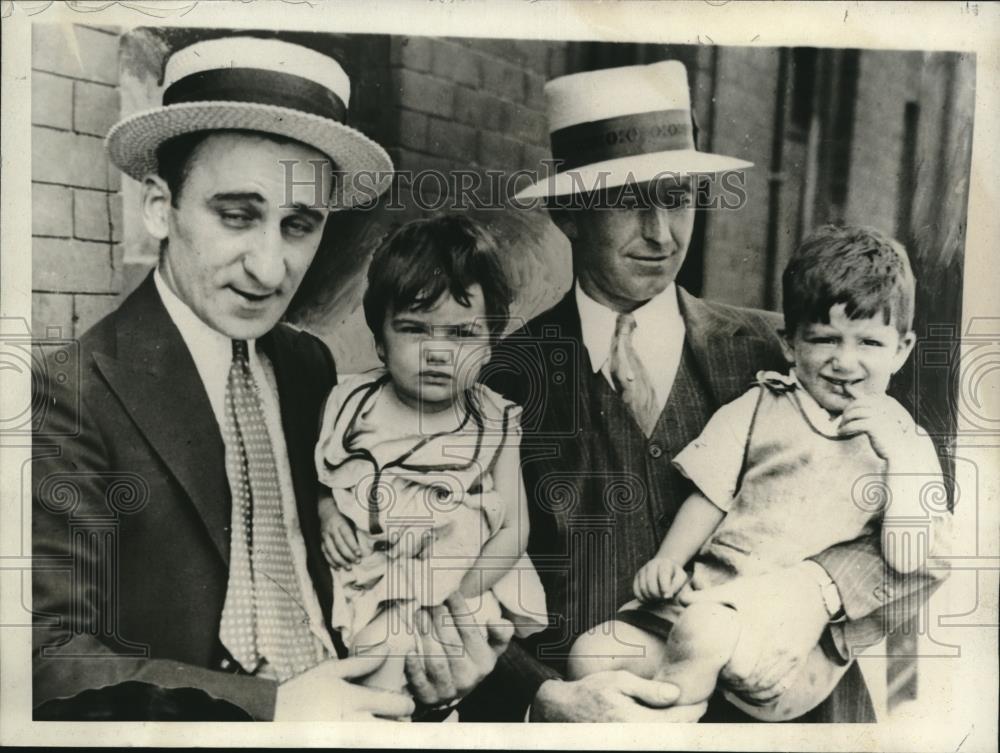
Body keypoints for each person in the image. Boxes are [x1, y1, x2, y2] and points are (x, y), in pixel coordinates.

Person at [31, 36, 511, 722]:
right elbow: (45, 661)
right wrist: (273, 709)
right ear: (159, 206)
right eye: (238, 215)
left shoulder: (307, 365)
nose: (269, 266)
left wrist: (433, 682)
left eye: (299, 225)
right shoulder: (71, 393)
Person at [462, 60, 948, 722]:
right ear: (568, 212)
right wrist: (546, 694)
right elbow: (448, 575)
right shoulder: (504, 381)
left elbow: (918, 526)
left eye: (679, 197)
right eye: (630, 203)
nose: (663, 234)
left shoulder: (787, 351)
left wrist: (820, 590)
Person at [566, 224, 951, 721]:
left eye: (869, 343)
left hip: (787, 648)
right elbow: (711, 495)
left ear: (902, 349)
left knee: (704, 635)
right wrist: (668, 560)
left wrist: (903, 461)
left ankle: (670, 727)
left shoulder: (909, 448)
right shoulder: (760, 405)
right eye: (824, 339)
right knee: (592, 652)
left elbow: (907, 556)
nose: (844, 362)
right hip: (701, 601)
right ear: (789, 345)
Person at [315, 215, 547, 699]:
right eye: (416, 330)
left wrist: (460, 591)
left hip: (460, 577)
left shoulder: (494, 421)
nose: (438, 352)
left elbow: (514, 527)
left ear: (490, 344)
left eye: (461, 334)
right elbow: (327, 470)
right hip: (376, 578)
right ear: (380, 340)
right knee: (374, 672)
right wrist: (327, 511)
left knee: (444, 664)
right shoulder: (353, 403)